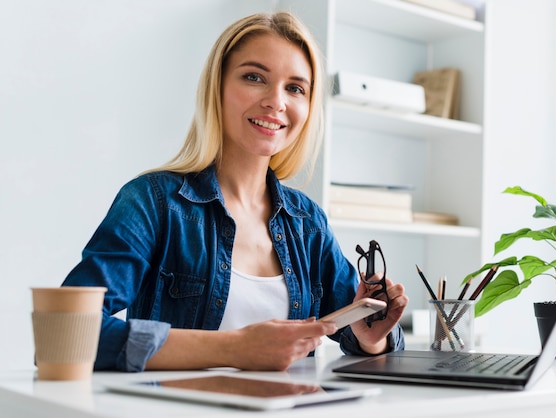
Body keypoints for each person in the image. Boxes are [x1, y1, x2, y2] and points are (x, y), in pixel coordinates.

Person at [62, 11, 408, 372]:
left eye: (295, 88)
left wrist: (371, 338)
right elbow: (67, 333)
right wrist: (233, 348)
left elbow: (357, 333)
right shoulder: (152, 202)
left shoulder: (307, 223)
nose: (277, 101)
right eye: (254, 77)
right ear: (218, 87)